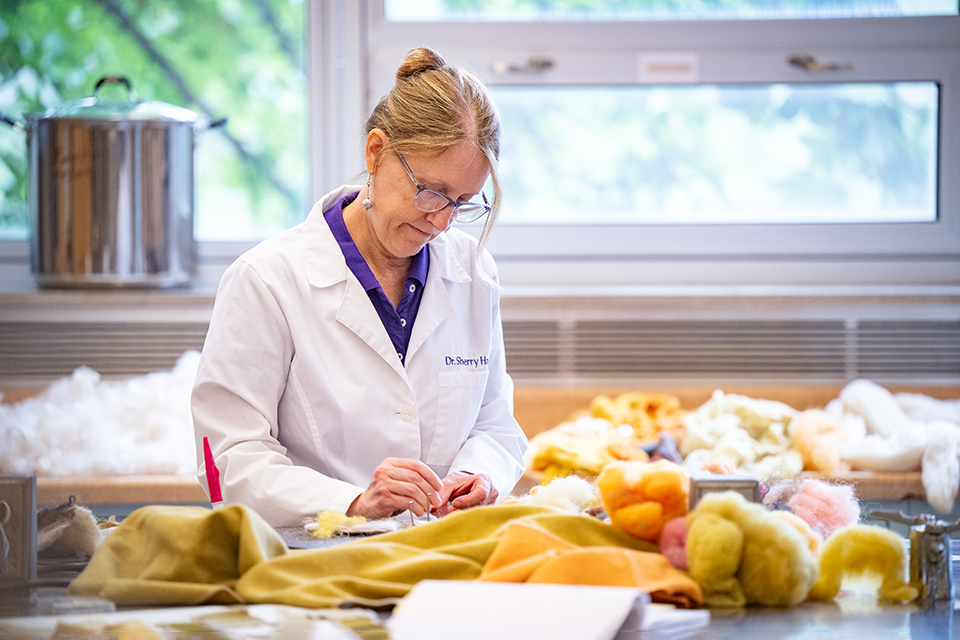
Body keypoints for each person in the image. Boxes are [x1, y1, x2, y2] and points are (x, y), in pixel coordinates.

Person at [191, 47, 528, 528]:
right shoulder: (266, 281)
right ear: (376, 152)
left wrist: (480, 474)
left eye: (462, 202)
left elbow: (496, 424)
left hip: (438, 552)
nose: (441, 221)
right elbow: (228, 461)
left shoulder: (472, 271)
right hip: (310, 562)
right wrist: (352, 502)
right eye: (430, 191)